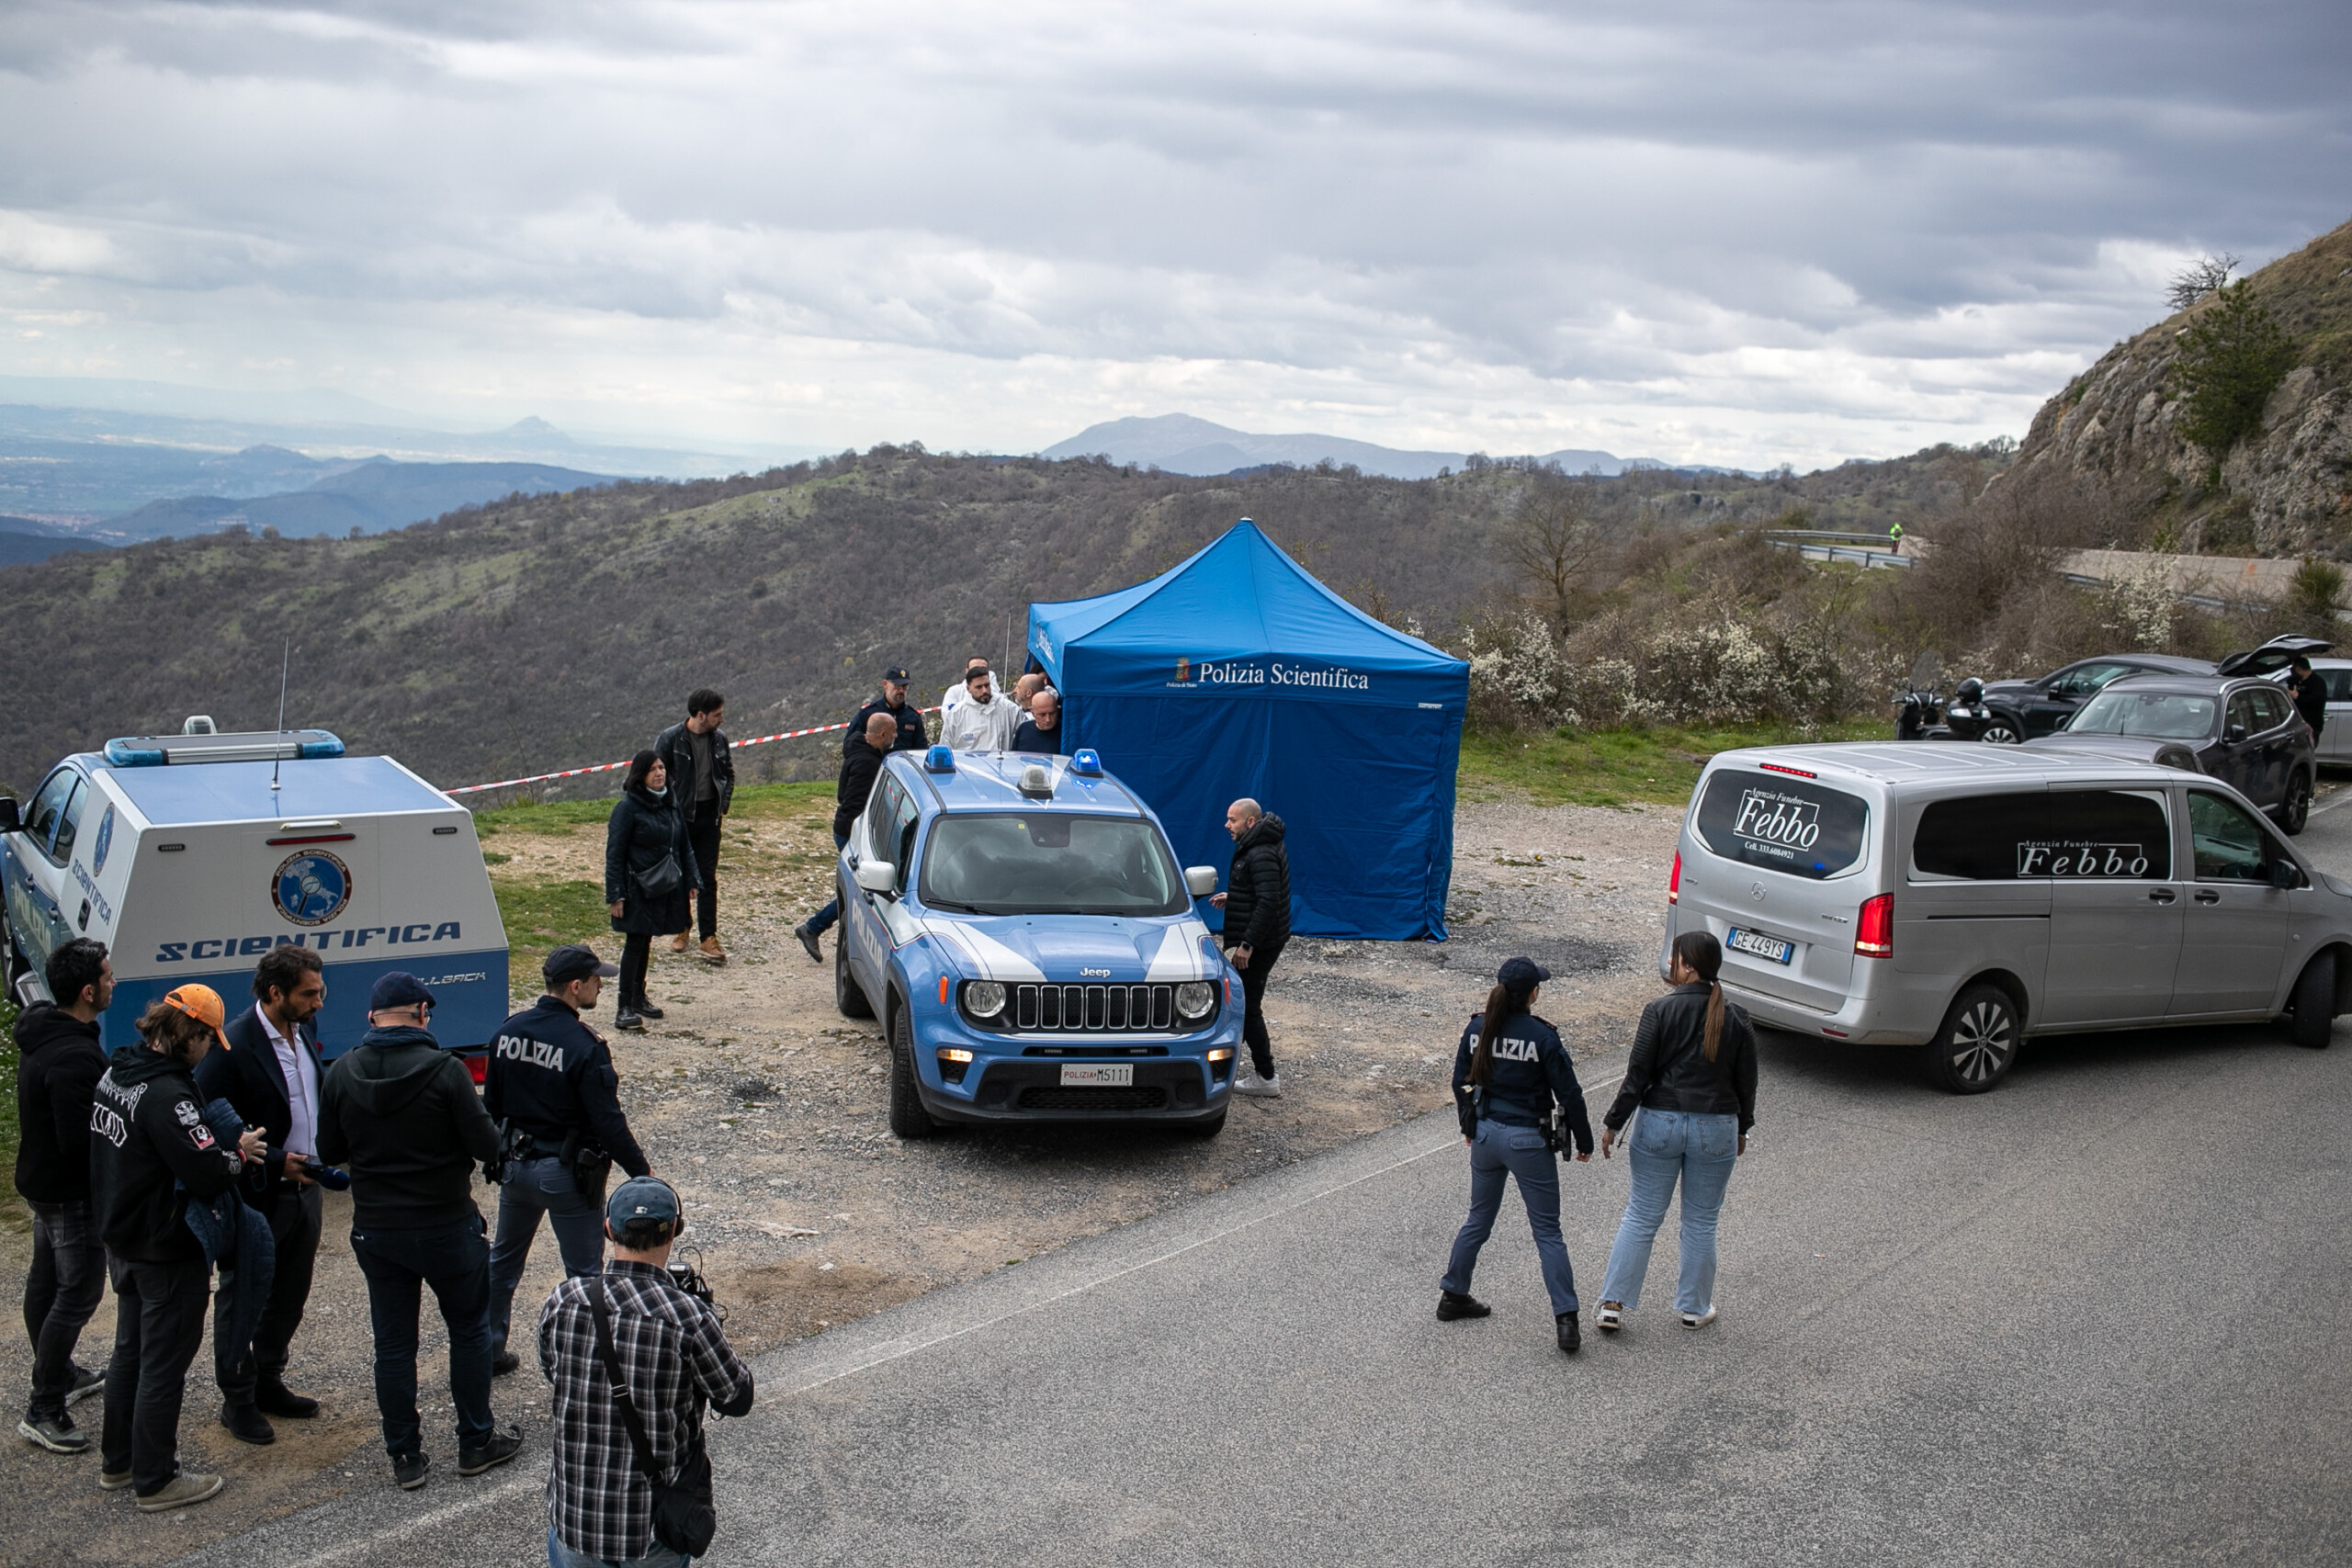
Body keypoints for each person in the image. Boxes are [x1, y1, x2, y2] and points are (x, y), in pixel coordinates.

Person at [317, 973, 521, 1490]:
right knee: (468, 1331)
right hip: (445, 1223)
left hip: (377, 1229)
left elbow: (328, 1150)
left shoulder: (341, 1072)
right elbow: (487, 1147)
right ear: (421, 1014)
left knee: (393, 1345)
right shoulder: (445, 1071)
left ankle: (405, 1455)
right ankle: (475, 1441)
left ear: (372, 1018)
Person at [91, 984, 265, 1512]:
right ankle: (156, 1479)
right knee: (163, 1366)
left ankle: (119, 1462)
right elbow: (208, 1171)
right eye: (209, 1040)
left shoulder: (117, 1072)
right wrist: (240, 1153)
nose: (209, 1051)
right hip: (166, 1247)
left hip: (122, 1237)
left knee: (129, 1354)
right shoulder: (169, 1096)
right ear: (190, 1034)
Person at [541, 1177, 754, 1568]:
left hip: (574, 1522)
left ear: (608, 1229)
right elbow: (737, 1398)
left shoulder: (562, 1300)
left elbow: (553, 1371)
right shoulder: (688, 1318)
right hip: (651, 1531)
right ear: (674, 1231)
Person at [484, 944, 652, 1377]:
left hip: (516, 1168)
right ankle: (594, 1364)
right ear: (575, 987)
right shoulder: (584, 1045)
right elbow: (608, 1122)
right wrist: (643, 1174)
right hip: (565, 1175)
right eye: (596, 981)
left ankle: (486, 1350)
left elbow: (492, 1106)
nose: (601, 987)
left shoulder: (508, 1032)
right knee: (585, 1275)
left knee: (502, 1263)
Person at [192, 943, 330, 1445]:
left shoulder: (304, 1028)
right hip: (258, 1198)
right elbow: (207, 1117)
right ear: (275, 992)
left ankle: (268, 1379)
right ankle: (237, 1399)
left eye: (320, 992)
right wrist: (273, 1161)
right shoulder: (233, 1046)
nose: (318, 1002)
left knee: (290, 1295)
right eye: (309, 994)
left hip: (307, 1192)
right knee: (244, 1297)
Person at [1594, 931, 1758, 1334]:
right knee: (1701, 1222)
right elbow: (1747, 1082)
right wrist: (1742, 1128)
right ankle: (1694, 1308)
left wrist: (1614, 1122)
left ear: (1688, 966)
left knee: (1641, 1214)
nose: (1672, 963)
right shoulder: (1736, 1017)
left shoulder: (1659, 1010)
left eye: (1676, 958)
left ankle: (1612, 1304)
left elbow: (1638, 1075)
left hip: (1659, 1122)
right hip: (1716, 1125)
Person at [1437, 958, 1595, 1352]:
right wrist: (1585, 1140)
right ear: (1532, 994)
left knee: (1478, 1219)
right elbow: (1569, 1093)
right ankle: (1566, 1321)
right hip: (1527, 1140)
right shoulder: (1542, 1037)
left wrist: (1469, 1126)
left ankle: (1453, 1294)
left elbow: (1460, 1082)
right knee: (1547, 1232)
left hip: (1486, 1135)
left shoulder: (1477, 1028)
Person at [14, 938, 114, 1455]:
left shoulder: (45, 1032)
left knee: (47, 1281)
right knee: (77, 1293)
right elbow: (81, 1141)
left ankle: (63, 1375)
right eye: (108, 976)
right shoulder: (74, 1055)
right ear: (88, 991)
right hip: (70, 1195)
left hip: (41, 1185)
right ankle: (44, 1407)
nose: (114, 982)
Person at [605, 750, 701, 1032]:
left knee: (646, 940)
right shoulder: (627, 809)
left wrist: (692, 879)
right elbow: (615, 855)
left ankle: (638, 997)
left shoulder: (671, 803)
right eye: (652, 770)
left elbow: (684, 845)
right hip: (636, 888)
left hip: (664, 886)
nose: (659, 773)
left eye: (661, 768)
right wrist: (616, 894)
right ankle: (624, 1006)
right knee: (635, 942)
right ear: (640, 776)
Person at [794, 711, 899, 962]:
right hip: (853, 833)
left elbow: (842, 794)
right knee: (860, 889)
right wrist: (865, 834)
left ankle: (815, 928)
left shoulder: (860, 752)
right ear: (882, 734)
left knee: (861, 887)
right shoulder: (867, 763)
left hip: (846, 828)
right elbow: (856, 804)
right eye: (893, 733)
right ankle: (813, 928)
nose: (896, 736)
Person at [1207, 797, 1290, 1096]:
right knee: (1243, 1005)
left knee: (1248, 1007)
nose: (1227, 825)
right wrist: (1235, 897)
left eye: (1233, 820)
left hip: (1261, 942)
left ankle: (1266, 1076)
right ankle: (1232, 1067)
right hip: (1265, 938)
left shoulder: (1260, 851)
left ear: (1250, 822)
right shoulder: (1259, 844)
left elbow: (1269, 902)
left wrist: (1247, 944)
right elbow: (1263, 890)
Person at [655, 689, 734, 966]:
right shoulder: (670, 739)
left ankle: (708, 936)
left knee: (707, 877)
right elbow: (656, 777)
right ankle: (682, 926)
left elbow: (728, 774)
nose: (721, 719)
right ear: (701, 715)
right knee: (679, 875)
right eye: (717, 714)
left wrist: (723, 805)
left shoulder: (720, 740)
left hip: (710, 817)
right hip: (680, 818)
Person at [849, 666, 930, 754]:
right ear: (885, 684)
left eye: (905, 687)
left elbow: (921, 751)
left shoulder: (913, 717)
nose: (901, 690)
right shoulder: (868, 713)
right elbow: (851, 744)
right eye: (897, 686)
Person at [943, 664, 1021, 751]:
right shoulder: (956, 713)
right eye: (979, 687)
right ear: (968, 688)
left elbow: (1025, 738)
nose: (984, 690)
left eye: (987, 685)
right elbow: (945, 745)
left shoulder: (1009, 709)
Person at [937, 654, 989, 733]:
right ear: (966, 671)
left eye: (983, 669)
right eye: (974, 669)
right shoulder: (954, 692)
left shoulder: (995, 694)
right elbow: (948, 717)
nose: (979, 672)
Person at [1011, 689, 1066, 754]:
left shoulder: (1065, 731)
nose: (1048, 719)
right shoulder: (1023, 729)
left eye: (1052, 713)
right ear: (1033, 713)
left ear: (1057, 711)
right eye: (1042, 715)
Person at [2291, 656, 2328, 746]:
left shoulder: (2317, 682)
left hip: (2312, 725)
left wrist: (2297, 696)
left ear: (2299, 669)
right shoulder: (2298, 681)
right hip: (2298, 724)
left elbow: (2316, 701)